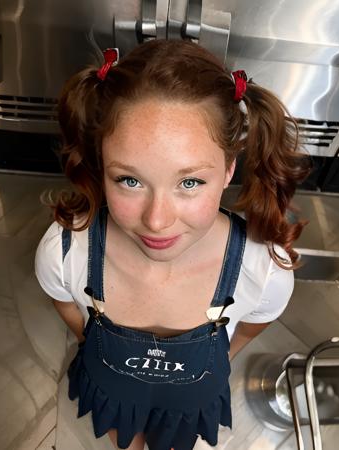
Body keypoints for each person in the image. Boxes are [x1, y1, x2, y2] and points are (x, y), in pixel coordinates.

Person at [35, 39, 310, 450]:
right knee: (123, 434)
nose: (157, 220)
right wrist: (88, 340)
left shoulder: (263, 268)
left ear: (229, 169)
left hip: (189, 402)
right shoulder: (65, 251)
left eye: (190, 182)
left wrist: (224, 358)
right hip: (112, 387)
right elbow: (62, 301)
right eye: (129, 180)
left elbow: (256, 321)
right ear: (100, 165)